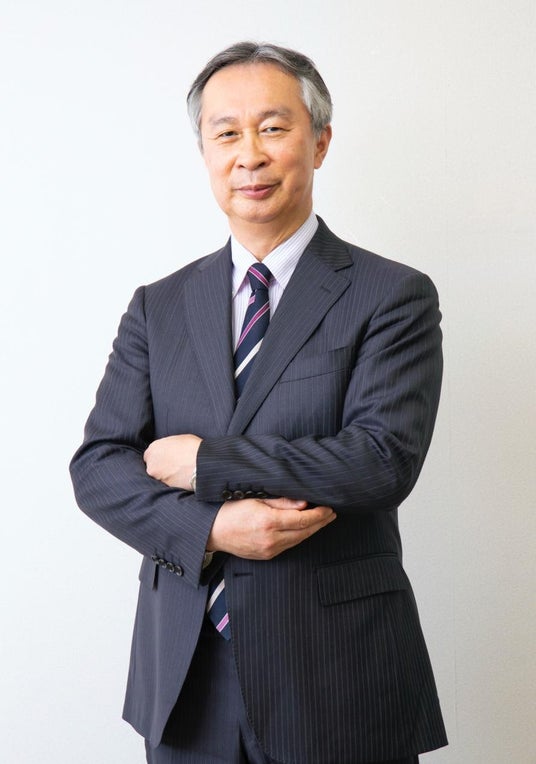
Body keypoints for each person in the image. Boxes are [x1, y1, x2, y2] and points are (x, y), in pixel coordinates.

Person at [70, 41, 448, 764]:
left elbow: (381, 461)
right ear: (205, 152)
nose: (250, 154)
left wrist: (208, 463)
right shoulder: (158, 306)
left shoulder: (391, 295)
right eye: (226, 133)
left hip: (336, 674)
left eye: (273, 128)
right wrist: (212, 528)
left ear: (320, 141)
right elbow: (98, 468)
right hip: (186, 676)